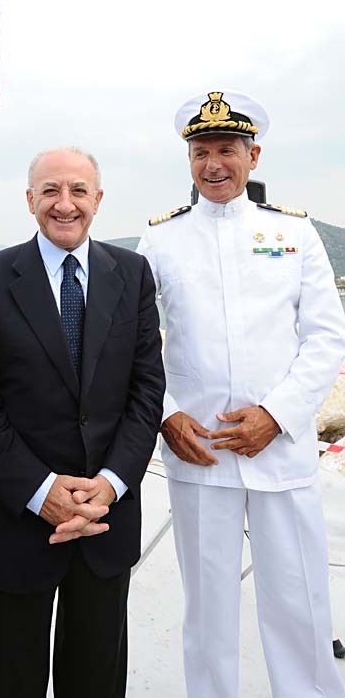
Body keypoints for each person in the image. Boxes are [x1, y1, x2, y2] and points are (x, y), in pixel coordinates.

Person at [137, 91, 345, 698]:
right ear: (189, 160)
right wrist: (167, 416)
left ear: (252, 156)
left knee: (300, 603)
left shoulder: (293, 232)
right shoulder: (162, 240)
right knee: (208, 613)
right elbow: (134, 341)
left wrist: (276, 416)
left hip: (281, 452)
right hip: (198, 450)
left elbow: (326, 337)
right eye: (201, 152)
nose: (213, 164)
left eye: (226, 149)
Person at [0, 147, 165, 698]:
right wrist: (39, 490)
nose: (64, 203)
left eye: (78, 190)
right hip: (17, 522)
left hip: (105, 519)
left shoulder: (132, 274)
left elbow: (147, 389)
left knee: (96, 678)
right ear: (30, 200)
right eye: (50, 191)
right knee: (10, 680)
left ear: (98, 199)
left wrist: (111, 484)